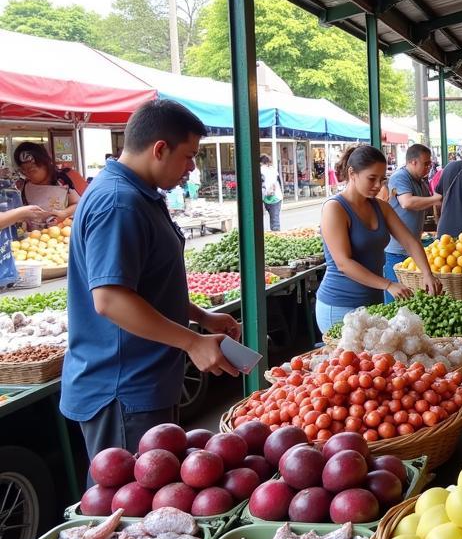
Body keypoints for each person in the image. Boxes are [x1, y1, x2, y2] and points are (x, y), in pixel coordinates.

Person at [61, 99, 241, 468]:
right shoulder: (119, 202)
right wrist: (192, 341)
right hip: (122, 389)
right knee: (131, 505)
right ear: (160, 149)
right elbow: (110, 299)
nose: (192, 168)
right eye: (189, 156)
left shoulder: (140, 194)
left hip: (145, 379)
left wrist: (200, 316)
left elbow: (143, 283)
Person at [317, 145, 440, 332]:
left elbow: (410, 241)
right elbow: (343, 263)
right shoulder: (335, 208)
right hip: (340, 304)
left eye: (382, 179)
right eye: (371, 178)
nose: (378, 186)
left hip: (373, 302)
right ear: (352, 173)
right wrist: (388, 284)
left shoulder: (380, 207)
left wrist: (427, 274)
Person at [383, 143, 441, 296]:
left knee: (412, 298)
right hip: (396, 251)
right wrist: (435, 199)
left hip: (413, 249)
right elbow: (407, 202)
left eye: (430, 163)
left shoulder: (421, 182)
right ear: (413, 162)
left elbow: (427, 204)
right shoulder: (399, 177)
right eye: (426, 163)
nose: (429, 167)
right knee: (397, 299)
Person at [13, 142, 82, 228]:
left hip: (59, 232)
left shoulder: (61, 182)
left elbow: (77, 204)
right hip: (32, 235)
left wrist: (65, 213)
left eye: (31, 170)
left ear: (46, 164)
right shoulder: (25, 186)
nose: (27, 174)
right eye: (23, 171)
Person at [259, 154, 284, 231]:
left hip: (264, 197)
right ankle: (276, 235)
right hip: (276, 197)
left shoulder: (260, 170)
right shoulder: (274, 170)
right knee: (275, 220)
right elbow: (279, 182)